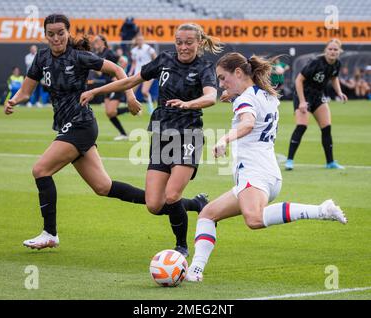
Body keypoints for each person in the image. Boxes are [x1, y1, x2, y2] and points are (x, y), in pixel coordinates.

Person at [4, 14, 206, 250]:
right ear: (45, 35)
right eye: (51, 34)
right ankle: (193, 203)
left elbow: (119, 70)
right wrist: (14, 100)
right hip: (65, 125)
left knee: (40, 170)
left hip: (81, 124)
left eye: (61, 32)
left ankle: (50, 233)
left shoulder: (79, 56)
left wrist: (130, 97)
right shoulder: (41, 58)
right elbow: (27, 91)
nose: (56, 38)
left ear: (68, 32)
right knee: (104, 187)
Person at [185, 52, 347, 282]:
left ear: (239, 73)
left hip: (255, 173)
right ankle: (195, 270)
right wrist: (233, 96)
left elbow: (249, 123)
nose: (221, 84)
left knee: (254, 219)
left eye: (223, 78)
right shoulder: (266, 95)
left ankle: (321, 210)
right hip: (265, 173)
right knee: (208, 214)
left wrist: (225, 138)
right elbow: (256, 112)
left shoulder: (245, 99)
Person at [80, 23, 223, 257]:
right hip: (161, 134)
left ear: (198, 43)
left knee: (172, 195)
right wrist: (96, 91)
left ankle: (182, 246)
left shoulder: (204, 67)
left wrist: (188, 104)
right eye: (179, 42)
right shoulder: (165, 60)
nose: (183, 47)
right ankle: (197, 204)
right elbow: (130, 80)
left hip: (188, 135)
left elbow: (211, 97)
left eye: (189, 42)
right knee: (154, 205)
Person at [285, 39, 347, 171]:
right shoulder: (315, 62)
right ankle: (289, 160)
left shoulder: (337, 64)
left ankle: (330, 162)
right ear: (326, 50)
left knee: (326, 128)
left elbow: (334, 78)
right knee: (302, 126)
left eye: (335, 49)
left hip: (318, 96)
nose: (332, 51)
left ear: (339, 51)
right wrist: (302, 101)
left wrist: (340, 93)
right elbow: (299, 80)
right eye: (330, 49)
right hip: (303, 95)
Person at [92, 35, 129, 140]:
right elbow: (99, 73)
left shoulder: (108, 52)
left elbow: (123, 61)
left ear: (103, 42)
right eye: (94, 41)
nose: (95, 43)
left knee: (111, 111)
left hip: (116, 84)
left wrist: (118, 76)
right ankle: (123, 134)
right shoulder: (97, 55)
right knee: (109, 114)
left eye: (97, 41)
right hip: (107, 85)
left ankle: (129, 109)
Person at [128, 33, 157, 115]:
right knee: (131, 92)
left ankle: (151, 109)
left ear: (143, 40)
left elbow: (156, 59)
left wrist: (153, 68)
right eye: (138, 40)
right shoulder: (134, 51)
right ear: (136, 41)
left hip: (148, 73)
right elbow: (134, 63)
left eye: (141, 40)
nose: (140, 41)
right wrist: (131, 71)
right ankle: (138, 110)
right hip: (138, 73)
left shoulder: (148, 49)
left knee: (144, 92)